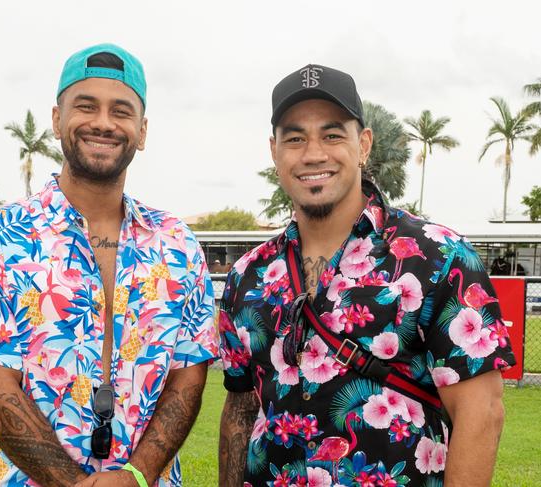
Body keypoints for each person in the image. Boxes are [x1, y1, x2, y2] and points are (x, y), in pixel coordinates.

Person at [218, 64, 516, 486]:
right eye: (295, 137)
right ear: (274, 151)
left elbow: (482, 412)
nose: (314, 153)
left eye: (333, 134)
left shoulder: (438, 257)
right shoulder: (248, 275)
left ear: (364, 144)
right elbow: (242, 408)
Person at [0, 43, 218, 487]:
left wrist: (137, 475)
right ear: (56, 119)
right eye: (85, 106)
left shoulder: (178, 245)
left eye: (121, 111)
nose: (103, 123)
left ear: (142, 131)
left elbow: (187, 379)